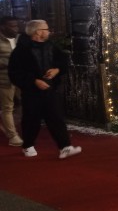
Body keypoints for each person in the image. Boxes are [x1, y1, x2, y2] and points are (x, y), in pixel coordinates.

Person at [8, 20, 81, 159]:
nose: (49, 32)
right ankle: (28, 146)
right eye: (46, 29)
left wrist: (56, 70)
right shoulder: (21, 50)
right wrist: (34, 81)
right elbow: (15, 73)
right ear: (38, 32)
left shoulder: (51, 46)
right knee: (31, 119)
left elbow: (63, 61)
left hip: (50, 89)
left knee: (56, 118)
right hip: (31, 92)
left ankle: (65, 147)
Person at [0, 16, 23, 146]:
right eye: (12, 26)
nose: (16, 28)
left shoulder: (20, 38)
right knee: (7, 107)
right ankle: (12, 136)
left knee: (21, 104)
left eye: (16, 25)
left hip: (20, 78)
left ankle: (10, 125)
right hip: (4, 79)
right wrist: (9, 62)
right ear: (3, 27)